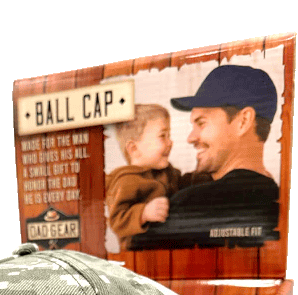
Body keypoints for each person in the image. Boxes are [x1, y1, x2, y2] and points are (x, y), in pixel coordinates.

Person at [132, 65, 280, 248]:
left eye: (201, 123)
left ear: (243, 121)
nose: (190, 138)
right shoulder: (280, 202)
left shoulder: (189, 205)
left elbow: (133, 256)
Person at [105, 104, 193, 250]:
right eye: (162, 136)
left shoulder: (166, 171)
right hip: (139, 250)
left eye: (169, 135)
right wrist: (143, 213)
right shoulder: (126, 180)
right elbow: (117, 221)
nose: (170, 142)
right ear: (134, 148)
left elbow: (182, 184)